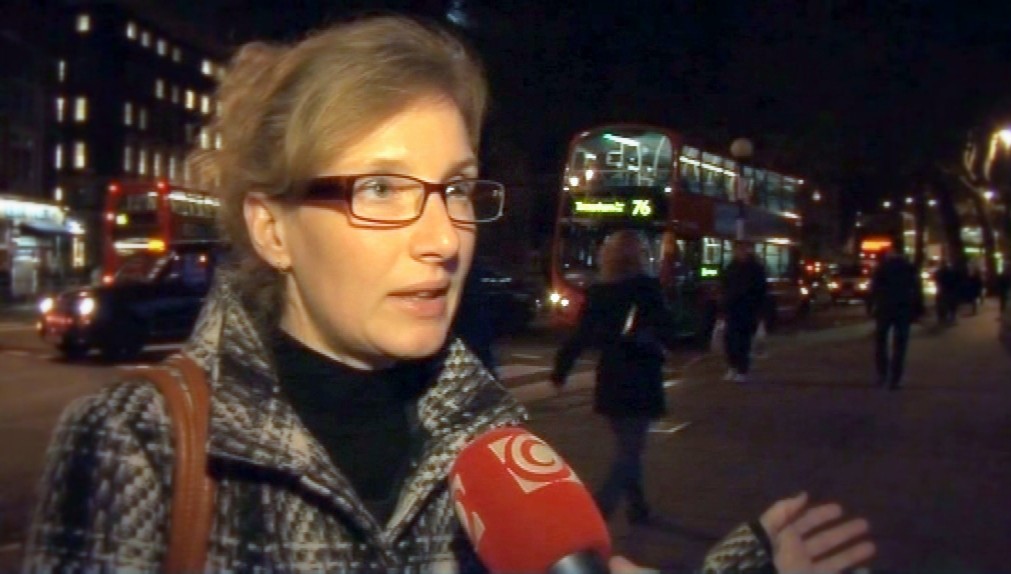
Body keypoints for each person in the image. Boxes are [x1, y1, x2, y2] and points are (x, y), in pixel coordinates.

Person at [25, 16, 873, 574]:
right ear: (272, 228)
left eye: (457, 188)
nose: (445, 238)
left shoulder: (486, 434)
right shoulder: (136, 445)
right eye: (382, 188)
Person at [550, 230, 670, 525]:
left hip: (612, 376)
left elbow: (580, 336)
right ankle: (599, 508)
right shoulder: (647, 288)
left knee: (628, 447)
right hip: (641, 375)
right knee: (630, 451)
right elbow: (667, 328)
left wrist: (561, 370)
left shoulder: (599, 292)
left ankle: (638, 507)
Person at [869, 244, 923, 390]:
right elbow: (916, 289)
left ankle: (882, 373)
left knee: (881, 342)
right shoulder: (909, 268)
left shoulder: (882, 267)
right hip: (903, 308)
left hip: (885, 307)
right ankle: (896, 377)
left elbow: (874, 288)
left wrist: (872, 306)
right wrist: (918, 310)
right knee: (900, 344)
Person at [720, 240, 768, 383]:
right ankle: (733, 366)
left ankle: (742, 369)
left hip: (747, 310)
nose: (739, 253)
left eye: (741, 250)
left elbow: (761, 292)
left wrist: (759, 313)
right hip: (732, 309)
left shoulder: (755, 269)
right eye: (737, 250)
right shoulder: (731, 267)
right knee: (729, 341)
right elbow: (724, 287)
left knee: (742, 342)